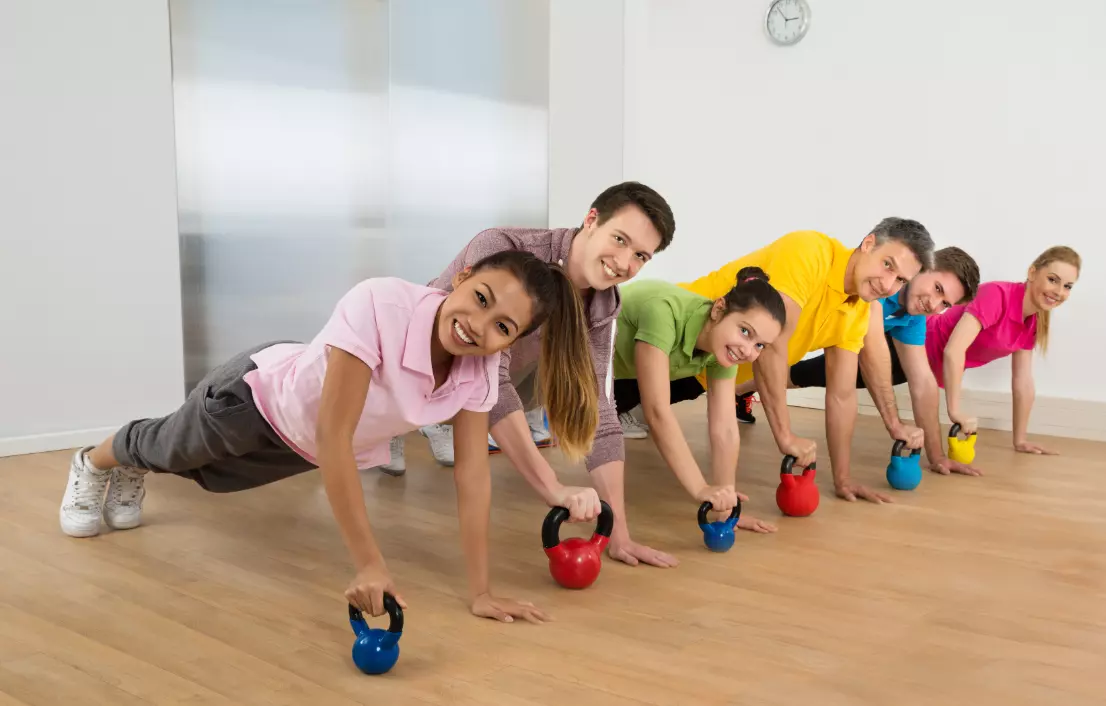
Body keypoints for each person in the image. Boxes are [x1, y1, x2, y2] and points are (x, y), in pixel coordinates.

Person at [58, 251, 598, 624]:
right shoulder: (382, 304)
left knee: (204, 477)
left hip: (302, 447)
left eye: (503, 326)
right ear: (460, 278)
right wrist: (368, 561)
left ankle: (136, 464)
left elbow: (472, 476)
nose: (478, 326)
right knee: (169, 448)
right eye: (481, 298)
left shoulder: (480, 371)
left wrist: (481, 592)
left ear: (514, 341)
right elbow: (335, 434)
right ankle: (96, 461)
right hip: (256, 401)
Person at [380, 181, 680, 569]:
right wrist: (552, 487)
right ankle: (409, 422)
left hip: (470, 383)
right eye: (619, 240)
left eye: (641, 255)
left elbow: (597, 411)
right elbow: (493, 381)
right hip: (399, 366)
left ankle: (440, 417)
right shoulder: (504, 249)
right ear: (591, 220)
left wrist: (616, 530)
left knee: (568, 383)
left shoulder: (603, 303)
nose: (624, 263)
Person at [680, 219, 934, 503]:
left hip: (704, 374)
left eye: (900, 280)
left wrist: (843, 478)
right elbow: (773, 346)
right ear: (869, 243)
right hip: (678, 339)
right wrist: (784, 435)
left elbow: (842, 395)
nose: (888, 284)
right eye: (888, 265)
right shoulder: (810, 251)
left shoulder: (856, 312)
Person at [612, 269, 786, 533]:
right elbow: (657, 412)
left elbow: (725, 428)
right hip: (560, 349)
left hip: (610, 370)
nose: (748, 351)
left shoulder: (722, 349)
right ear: (718, 309)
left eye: (760, 345)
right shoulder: (663, 312)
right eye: (745, 332)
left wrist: (726, 508)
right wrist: (700, 488)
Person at [787, 247, 982, 475]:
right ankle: (741, 389)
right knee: (832, 370)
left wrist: (937, 456)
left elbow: (923, 382)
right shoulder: (879, 287)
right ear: (924, 267)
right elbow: (872, 353)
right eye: (937, 289)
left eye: (945, 304)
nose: (933, 304)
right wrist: (895, 424)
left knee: (817, 372)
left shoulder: (911, 315)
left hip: (821, 344)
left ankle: (742, 391)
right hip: (787, 327)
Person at [927, 245, 1080, 458]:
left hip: (931, 369)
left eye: (1068, 286)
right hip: (918, 345)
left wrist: (1020, 440)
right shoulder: (997, 295)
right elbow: (954, 350)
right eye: (1053, 280)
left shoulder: (1034, 322)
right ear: (1033, 273)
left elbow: (1023, 381)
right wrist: (954, 410)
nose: (1059, 292)